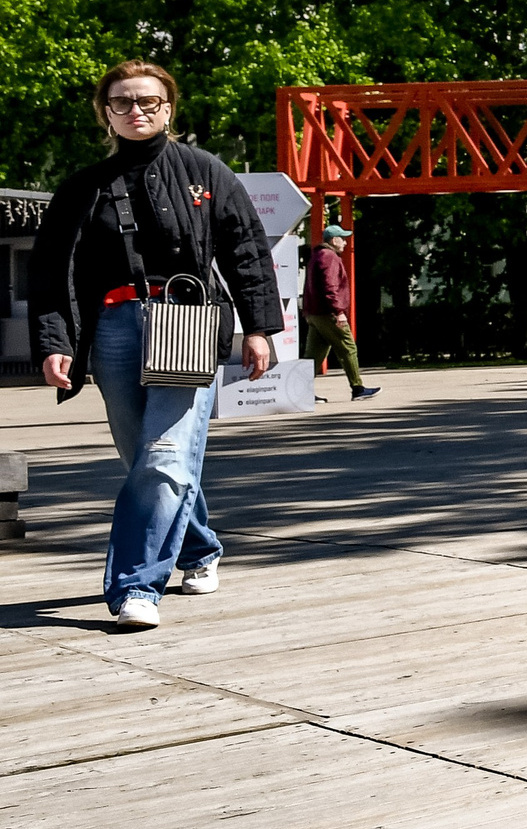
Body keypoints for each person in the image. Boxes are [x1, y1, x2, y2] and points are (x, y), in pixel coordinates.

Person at [31, 61, 285, 631]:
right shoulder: (81, 187)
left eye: (148, 101)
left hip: (187, 322)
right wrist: (54, 341)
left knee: (165, 455)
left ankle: (136, 586)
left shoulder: (205, 170)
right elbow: (51, 272)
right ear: (106, 113)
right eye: (121, 102)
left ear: (168, 108)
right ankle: (199, 548)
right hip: (114, 328)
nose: (136, 110)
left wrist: (258, 327)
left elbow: (245, 250)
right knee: (141, 454)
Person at [303, 223, 378, 400]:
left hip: (314, 313)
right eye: (342, 239)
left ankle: (301, 393)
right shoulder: (329, 256)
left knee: (313, 355)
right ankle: (358, 388)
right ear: (334, 240)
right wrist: (338, 311)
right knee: (348, 347)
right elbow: (329, 285)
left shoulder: (317, 256)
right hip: (327, 313)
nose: (345, 242)